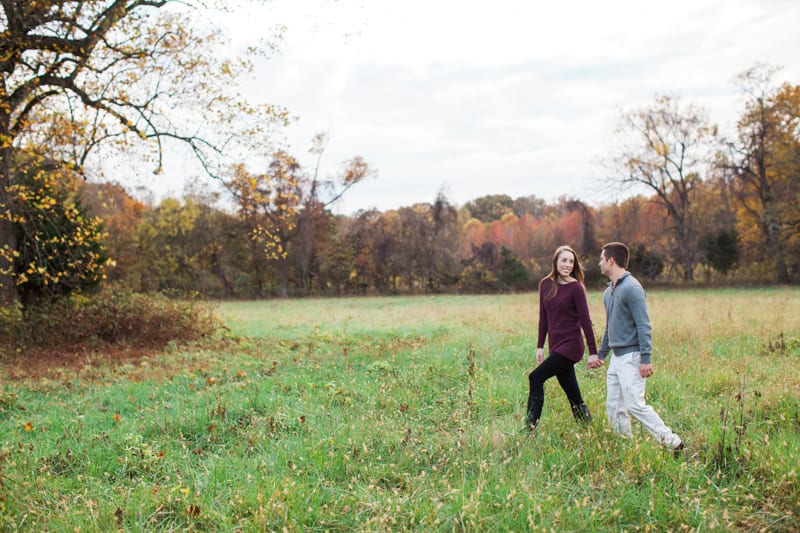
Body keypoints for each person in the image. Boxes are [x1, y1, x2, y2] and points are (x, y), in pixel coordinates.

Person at [588, 242, 684, 456]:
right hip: (616, 359)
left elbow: (643, 325)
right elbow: (609, 327)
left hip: (632, 357)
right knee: (613, 406)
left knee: (635, 405)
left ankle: (673, 443)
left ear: (611, 261)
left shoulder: (632, 288)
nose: (599, 263)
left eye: (602, 259)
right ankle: (624, 447)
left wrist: (646, 358)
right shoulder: (608, 292)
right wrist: (601, 354)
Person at [524, 245, 598, 431]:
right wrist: (540, 346)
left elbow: (586, 321)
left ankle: (530, 427)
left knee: (536, 377)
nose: (567, 265)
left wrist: (593, 352)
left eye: (571, 261)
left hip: (572, 346)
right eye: (564, 260)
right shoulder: (545, 285)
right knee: (572, 393)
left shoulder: (576, 288)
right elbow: (544, 318)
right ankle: (587, 426)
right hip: (556, 345)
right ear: (555, 261)